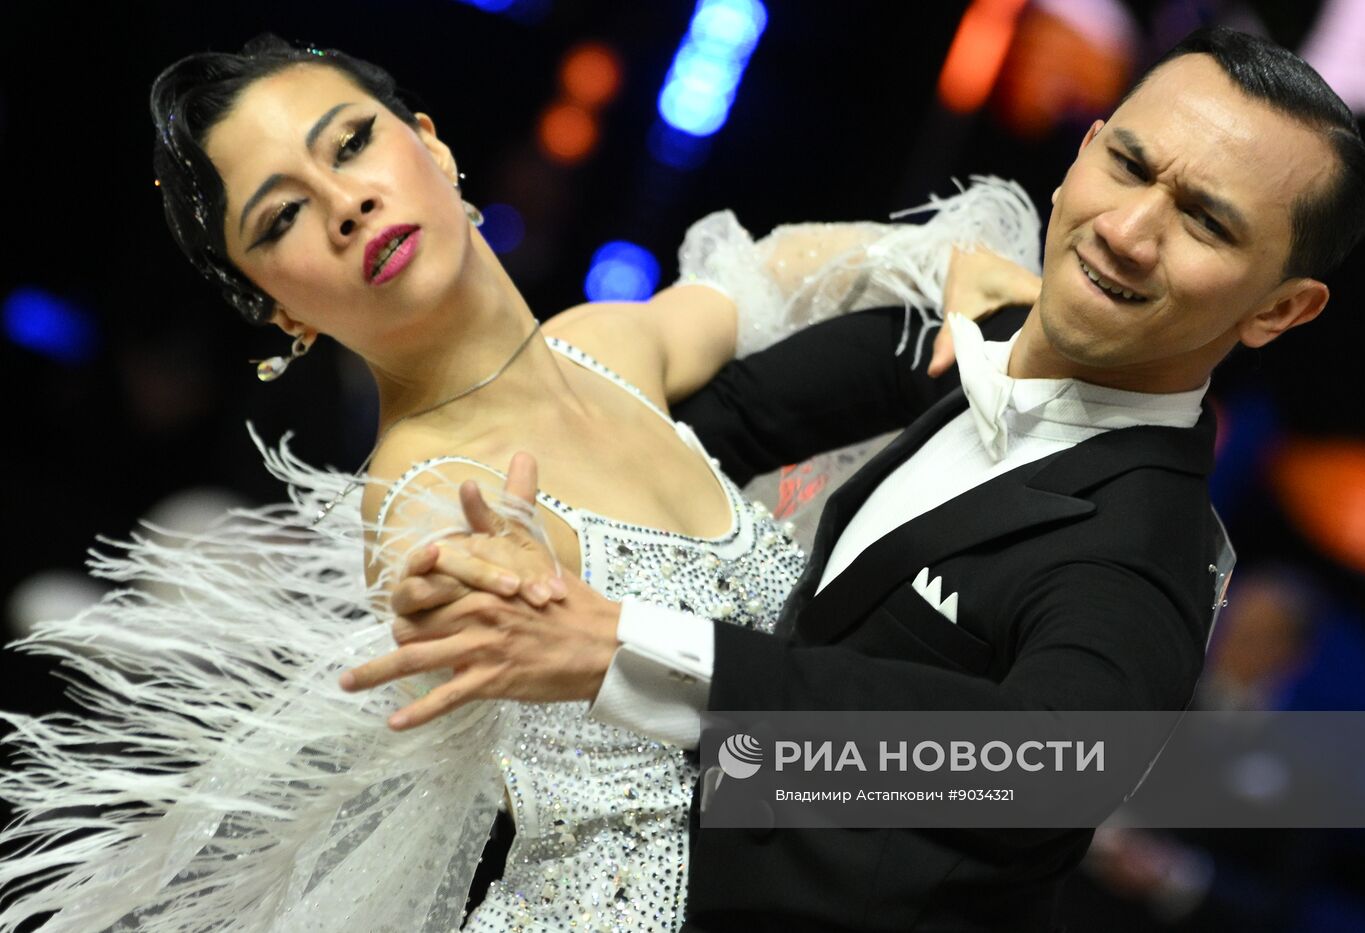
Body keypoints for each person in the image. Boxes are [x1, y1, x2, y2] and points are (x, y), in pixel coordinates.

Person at [0, 34, 1046, 933]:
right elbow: (432, 575)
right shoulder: (422, 490)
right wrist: (451, 587)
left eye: (353, 144)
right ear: (281, 311)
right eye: (279, 220)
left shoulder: (600, 349)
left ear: (431, 142)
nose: (347, 204)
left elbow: (758, 274)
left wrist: (929, 263)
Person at [345, 26, 1365, 932]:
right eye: (1126, 164)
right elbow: (683, 422)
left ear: (1277, 310)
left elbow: (1048, 771)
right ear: (1081, 149)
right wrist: (514, 551)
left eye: (1202, 221)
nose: (1126, 229)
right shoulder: (949, 339)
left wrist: (620, 652)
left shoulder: (1141, 549)